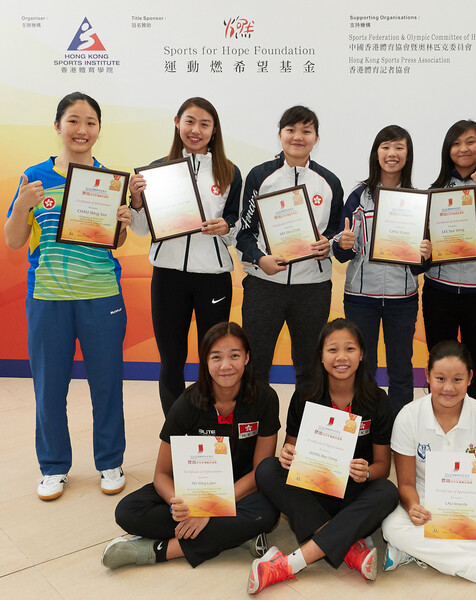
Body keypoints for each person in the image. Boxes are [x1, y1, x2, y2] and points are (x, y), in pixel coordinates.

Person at [4, 92, 131, 501]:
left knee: (107, 383)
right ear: (57, 126)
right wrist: (21, 207)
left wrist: (122, 224)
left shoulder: (110, 182)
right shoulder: (34, 177)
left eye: (90, 122)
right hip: (48, 297)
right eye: (73, 121)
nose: (82, 130)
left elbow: (114, 242)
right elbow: (13, 240)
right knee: (49, 386)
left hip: (101, 295)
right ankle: (54, 466)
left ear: (98, 130)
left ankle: (110, 461)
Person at [101, 322, 280, 569]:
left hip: (242, 491)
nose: (226, 365)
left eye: (235, 356)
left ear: (247, 357)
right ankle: (236, 536)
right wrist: (185, 506)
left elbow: (261, 472)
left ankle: (159, 550)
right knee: (128, 511)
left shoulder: (266, 398)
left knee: (268, 513)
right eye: (216, 357)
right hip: (196, 488)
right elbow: (162, 474)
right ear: (205, 361)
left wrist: (212, 508)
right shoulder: (188, 402)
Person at [247, 318, 398, 594]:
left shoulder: (377, 400)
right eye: (332, 350)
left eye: (350, 349)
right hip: (314, 490)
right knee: (268, 469)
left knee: (387, 491)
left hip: (353, 491)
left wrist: (367, 472)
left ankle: (291, 564)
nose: (341, 357)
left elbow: (383, 467)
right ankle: (351, 549)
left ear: (362, 354)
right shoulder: (305, 396)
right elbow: (290, 454)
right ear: (320, 355)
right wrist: (287, 455)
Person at [380, 340, 476, 598]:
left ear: (470, 378)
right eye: (440, 378)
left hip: (473, 504)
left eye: (457, 379)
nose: (448, 388)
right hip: (426, 502)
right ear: (427, 376)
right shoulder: (408, 416)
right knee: (391, 526)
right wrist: (413, 507)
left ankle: (414, 550)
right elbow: (405, 484)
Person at [128, 97, 243, 417]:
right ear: (177, 122)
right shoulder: (155, 171)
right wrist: (137, 199)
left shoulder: (230, 172)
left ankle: (213, 423)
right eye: (190, 122)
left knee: (216, 358)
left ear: (214, 130)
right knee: (172, 358)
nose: (196, 130)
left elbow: (236, 228)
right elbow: (140, 229)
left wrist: (225, 227)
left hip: (213, 278)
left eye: (204, 124)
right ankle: (178, 429)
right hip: (168, 276)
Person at [236, 106, 343, 387]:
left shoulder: (330, 182)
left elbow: (335, 232)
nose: (298, 137)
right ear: (280, 135)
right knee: (255, 366)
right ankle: (257, 430)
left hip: (313, 288)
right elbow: (244, 233)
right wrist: (260, 260)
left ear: (316, 138)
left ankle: (301, 432)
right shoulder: (260, 177)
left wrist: (328, 245)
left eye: (306, 131)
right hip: (264, 284)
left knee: (310, 369)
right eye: (291, 130)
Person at [333, 125, 431, 415]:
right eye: (386, 147)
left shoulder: (417, 199)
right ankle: (365, 427)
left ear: (408, 155)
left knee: (401, 369)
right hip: (361, 297)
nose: (392, 154)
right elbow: (340, 253)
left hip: (403, 299)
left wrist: (425, 255)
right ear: (376, 153)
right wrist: (345, 243)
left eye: (399, 148)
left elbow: (423, 262)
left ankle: (400, 431)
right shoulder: (358, 197)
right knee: (364, 367)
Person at [421, 120, 476, 404]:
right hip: (439, 291)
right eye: (456, 143)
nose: (463, 148)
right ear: (448, 150)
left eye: (470, 142)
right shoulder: (436, 190)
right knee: (440, 363)